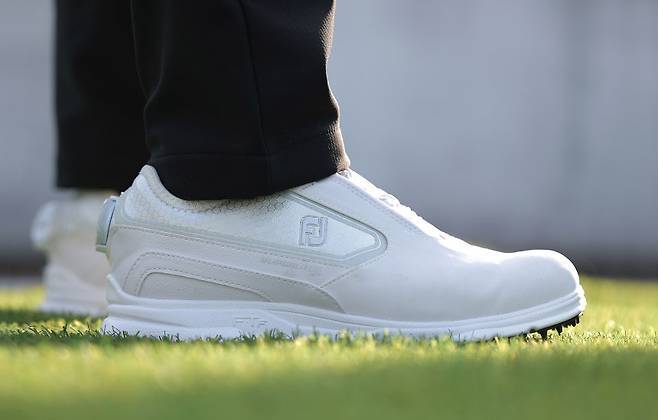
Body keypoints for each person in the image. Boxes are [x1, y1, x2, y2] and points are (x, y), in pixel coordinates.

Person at [33, 0, 585, 340]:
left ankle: (114, 193)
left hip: (130, 167)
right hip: (236, 165)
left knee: (128, 165)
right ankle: (235, 181)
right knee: (230, 153)